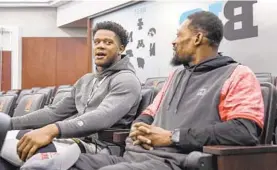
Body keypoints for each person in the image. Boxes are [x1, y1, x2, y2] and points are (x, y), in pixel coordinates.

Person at [66, 11, 264, 170]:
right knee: (62, 163)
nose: (174, 41)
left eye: (179, 35)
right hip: (133, 157)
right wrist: (139, 126)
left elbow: (244, 131)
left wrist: (173, 137)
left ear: (197, 38)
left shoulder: (238, 74)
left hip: (173, 162)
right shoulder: (176, 76)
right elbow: (149, 113)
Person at [1, 21, 141, 167]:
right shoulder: (86, 80)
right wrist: (10, 124)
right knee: (6, 139)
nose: (100, 46)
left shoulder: (126, 80)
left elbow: (103, 116)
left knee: (35, 156)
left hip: (101, 147)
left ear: (121, 48)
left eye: (108, 42)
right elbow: (55, 112)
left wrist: (53, 130)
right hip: (76, 140)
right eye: (97, 42)